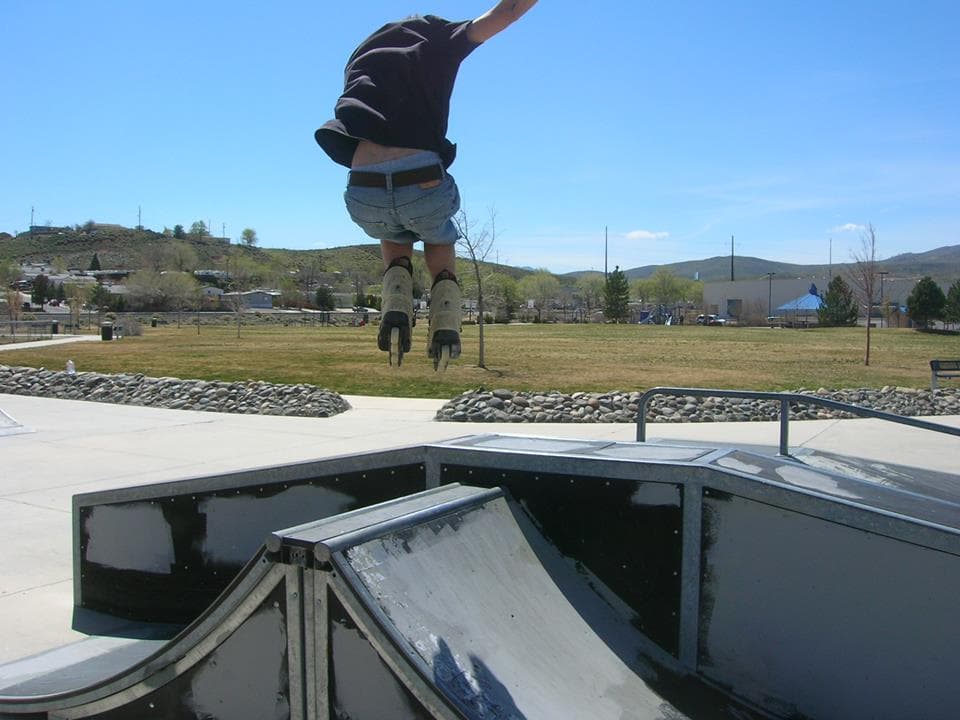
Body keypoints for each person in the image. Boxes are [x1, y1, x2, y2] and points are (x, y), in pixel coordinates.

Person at [315, 1, 538, 370]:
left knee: (392, 227)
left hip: (362, 187)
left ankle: (396, 308)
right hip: (421, 179)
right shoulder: (437, 42)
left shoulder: (362, 57)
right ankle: (446, 323)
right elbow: (506, 14)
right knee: (438, 237)